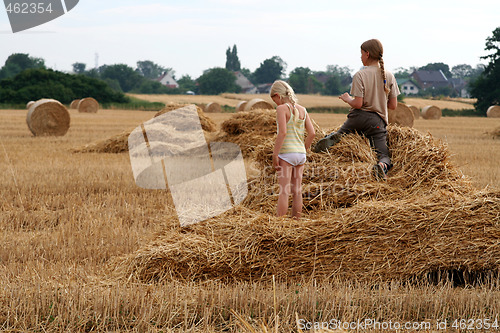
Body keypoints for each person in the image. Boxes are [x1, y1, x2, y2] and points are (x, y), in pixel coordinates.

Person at [313, 39, 400, 180]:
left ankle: (332, 139)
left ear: (367, 53)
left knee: (341, 135)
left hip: (357, 118)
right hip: (376, 122)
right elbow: (393, 105)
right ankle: (382, 166)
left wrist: (348, 99)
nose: (360, 57)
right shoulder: (389, 76)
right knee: (383, 155)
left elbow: (358, 104)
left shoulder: (360, 75)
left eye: (361, 54)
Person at [270, 80, 316, 218]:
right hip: (300, 154)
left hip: (286, 154)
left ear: (278, 95)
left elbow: (282, 133)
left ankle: (280, 224)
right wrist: (304, 149)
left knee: (284, 190)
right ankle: (296, 221)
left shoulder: (282, 109)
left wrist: (275, 154)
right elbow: (312, 133)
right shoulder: (302, 109)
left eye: (275, 101)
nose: (276, 104)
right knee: (297, 190)